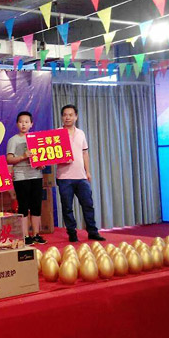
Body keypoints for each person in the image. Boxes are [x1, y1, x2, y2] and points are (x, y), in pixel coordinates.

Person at [56, 104, 105, 242]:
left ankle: (93, 231)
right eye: (65, 115)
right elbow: (51, 155)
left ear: (76, 117)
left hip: (81, 176)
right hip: (64, 177)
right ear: (62, 117)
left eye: (71, 115)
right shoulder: (56, 133)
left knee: (88, 205)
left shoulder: (81, 133)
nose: (68, 117)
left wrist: (88, 171)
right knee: (67, 207)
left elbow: (85, 153)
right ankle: (72, 233)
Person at [6, 111, 47, 245]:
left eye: (26, 122)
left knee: (36, 206)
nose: (23, 124)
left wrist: (41, 164)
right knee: (23, 206)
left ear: (31, 124)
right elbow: (9, 159)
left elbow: (43, 157)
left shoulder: (36, 139)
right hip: (21, 177)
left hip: (36, 175)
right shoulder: (13, 140)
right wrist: (23, 156)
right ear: (17, 124)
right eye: (21, 122)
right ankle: (25, 236)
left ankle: (36, 234)